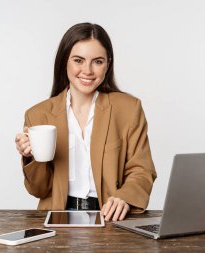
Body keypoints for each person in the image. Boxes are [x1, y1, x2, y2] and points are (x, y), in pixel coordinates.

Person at [15, 23, 157, 221]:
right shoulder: (38, 114)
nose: (87, 70)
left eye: (97, 61)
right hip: (58, 216)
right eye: (78, 60)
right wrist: (31, 156)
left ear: (108, 64)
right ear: (65, 61)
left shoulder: (128, 109)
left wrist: (124, 197)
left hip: (111, 217)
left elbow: (142, 170)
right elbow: (39, 190)